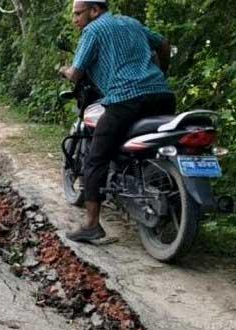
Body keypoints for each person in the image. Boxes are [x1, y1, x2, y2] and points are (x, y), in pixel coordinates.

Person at [59, 0, 175, 242]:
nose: (75, 20)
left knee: (96, 157)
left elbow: (77, 73)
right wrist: (161, 72)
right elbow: (163, 43)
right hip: (162, 96)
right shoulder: (131, 22)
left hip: (126, 99)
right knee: (149, 149)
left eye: (78, 14)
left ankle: (92, 225)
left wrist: (64, 70)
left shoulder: (93, 30)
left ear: (95, 10)